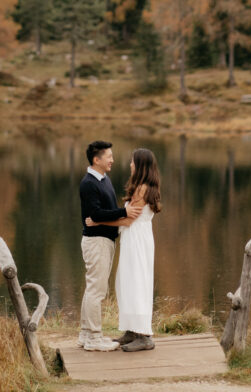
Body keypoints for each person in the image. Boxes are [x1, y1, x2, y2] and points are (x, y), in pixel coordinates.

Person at [86, 147, 161, 353]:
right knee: (126, 282)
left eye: (133, 162)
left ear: (141, 166)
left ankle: (145, 336)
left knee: (136, 283)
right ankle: (131, 331)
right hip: (135, 239)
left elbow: (127, 220)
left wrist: (97, 222)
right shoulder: (143, 187)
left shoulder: (142, 189)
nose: (130, 165)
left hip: (137, 240)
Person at [79, 140, 143, 351]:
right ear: (96, 160)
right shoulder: (89, 183)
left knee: (95, 288)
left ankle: (85, 334)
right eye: (109, 157)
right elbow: (95, 214)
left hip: (104, 240)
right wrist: (124, 213)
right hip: (95, 241)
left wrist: (118, 218)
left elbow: (101, 213)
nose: (113, 160)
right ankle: (94, 338)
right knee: (96, 290)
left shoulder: (104, 179)